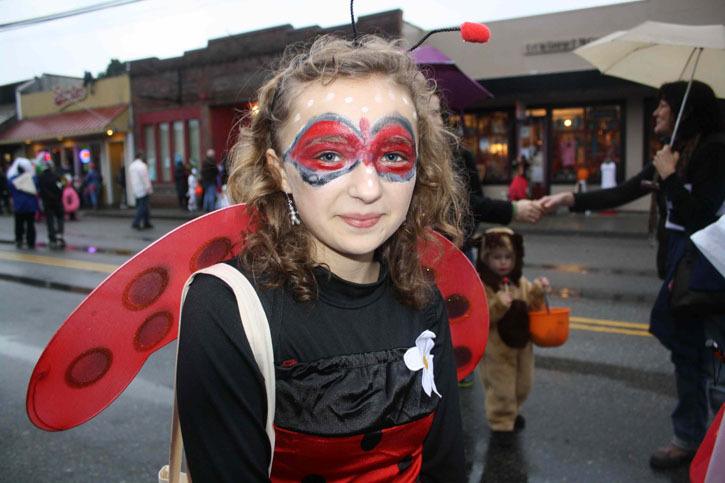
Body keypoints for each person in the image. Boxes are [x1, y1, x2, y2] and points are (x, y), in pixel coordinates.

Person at [176, 34, 467, 481]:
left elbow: (446, 469)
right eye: (330, 155)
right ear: (280, 172)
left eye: (392, 154)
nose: (368, 189)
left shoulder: (424, 297)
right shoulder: (224, 308)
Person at [540, 80, 725, 469]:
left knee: (712, 362)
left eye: (662, 105)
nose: (656, 112)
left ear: (682, 112)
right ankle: (692, 439)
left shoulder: (714, 152)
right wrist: (569, 199)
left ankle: (712, 449)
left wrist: (671, 179)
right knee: (687, 356)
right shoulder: (674, 152)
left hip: (709, 277)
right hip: (681, 272)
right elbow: (623, 192)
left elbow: (705, 220)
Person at [473, 227, 548, 444]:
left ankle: (513, 411)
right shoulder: (483, 285)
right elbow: (481, 316)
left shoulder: (519, 282)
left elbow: (533, 305)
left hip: (522, 346)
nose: (503, 262)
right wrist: (498, 304)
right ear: (486, 258)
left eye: (508, 257)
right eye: (497, 257)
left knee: (523, 384)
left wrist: (538, 291)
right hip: (497, 350)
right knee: (502, 389)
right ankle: (501, 423)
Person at [7, 158, 38, 249]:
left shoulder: (13, 180)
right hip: (30, 206)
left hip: (19, 206)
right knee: (30, 225)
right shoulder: (32, 179)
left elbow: (9, 187)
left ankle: (19, 240)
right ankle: (31, 242)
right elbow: (36, 186)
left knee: (19, 225)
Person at [38, 160, 65, 248]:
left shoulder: (41, 178)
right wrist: (58, 196)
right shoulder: (56, 176)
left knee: (50, 220)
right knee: (59, 217)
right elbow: (60, 187)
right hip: (57, 201)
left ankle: (52, 237)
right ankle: (59, 235)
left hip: (47, 202)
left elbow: (40, 190)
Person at [129, 152, 153, 230]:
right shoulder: (142, 166)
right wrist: (148, 188)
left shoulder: (131, 166)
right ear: (141, 157)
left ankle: (146, 222)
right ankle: (136, 222)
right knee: (143, 207)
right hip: (143, 189)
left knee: (143, 206)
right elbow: (145, 178)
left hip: (136, 189)